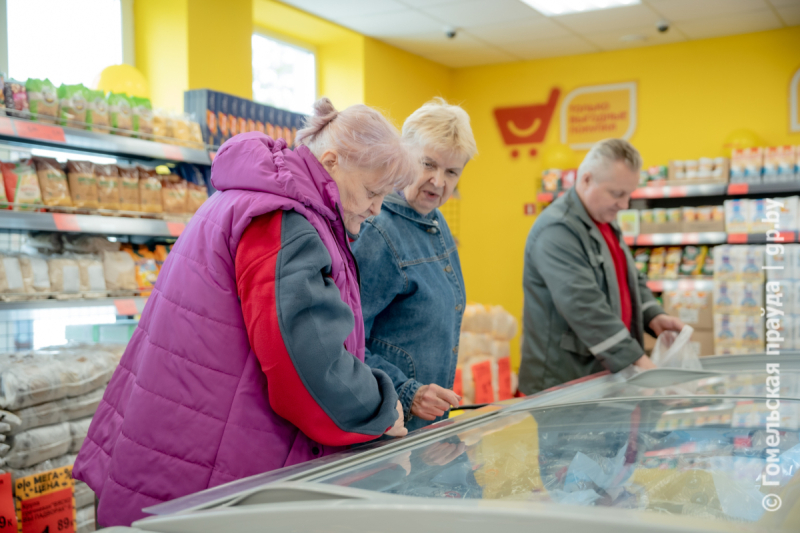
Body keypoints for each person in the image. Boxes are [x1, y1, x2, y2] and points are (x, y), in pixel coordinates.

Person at [74, 98, 416, 526]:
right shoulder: (284, 220)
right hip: (210, 472)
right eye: (372, 191)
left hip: (181, 448)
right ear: (331, 161)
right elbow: (306, 364)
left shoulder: (252, 199)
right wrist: (381, 405)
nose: (376, 208)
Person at [519, 138, 684, 394]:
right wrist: (641, 364)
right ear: (586, 180)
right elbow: (584, 307)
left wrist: (654, 316)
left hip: (603, 375)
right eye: (617, 194)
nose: (625, 204)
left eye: (629, 194)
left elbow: (629, 279)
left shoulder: (604, 220)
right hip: (565, 384)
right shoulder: (557, 230)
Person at [352, 98, 478, 433]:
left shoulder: (435, 221)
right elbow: (345, 340)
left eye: (452, 172)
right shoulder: (378, 230)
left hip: (424, 426)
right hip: (388, 424)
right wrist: (408, 391)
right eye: (428, 164)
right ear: (402, 156)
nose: (438, 182)